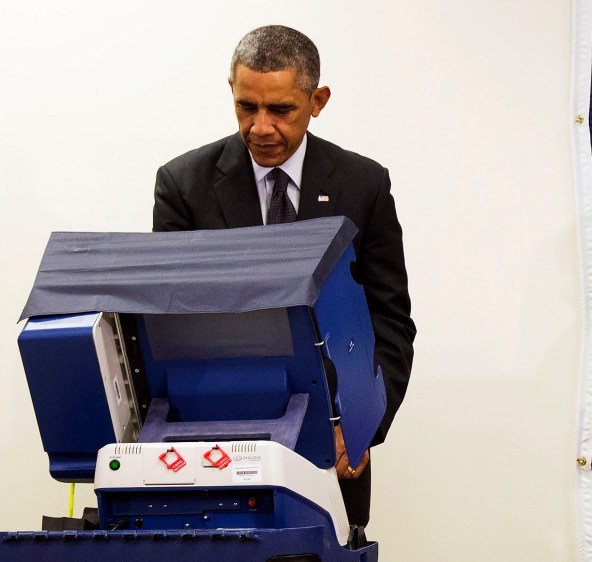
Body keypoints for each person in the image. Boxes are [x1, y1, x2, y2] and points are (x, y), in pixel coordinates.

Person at [152, 25, 415, 527]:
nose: (260, 127)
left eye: (280, 110)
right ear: (231, 90)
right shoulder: (183, 186)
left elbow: (391, 322)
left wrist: (362, 425)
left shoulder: (364, 185)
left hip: (333, 448)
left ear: (317, 101)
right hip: (213, 446)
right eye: (246, 107)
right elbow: (171, 327)